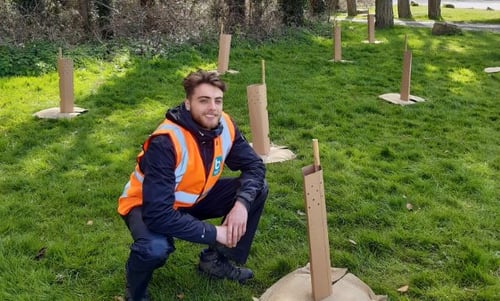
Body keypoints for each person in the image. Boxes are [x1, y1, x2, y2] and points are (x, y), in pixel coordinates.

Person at [117, 70, 268, 301]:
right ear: (187, 103)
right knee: (154, 248)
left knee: (257, 189)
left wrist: (241, 205)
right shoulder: (165, 141)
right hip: (146, 205)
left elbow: (255, 166)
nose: (213, 108)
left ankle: (214, 262)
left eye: (218, 101)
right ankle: (135, 293)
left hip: (192, 199)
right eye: (203, 100)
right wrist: (216, 232)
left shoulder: (224, 124)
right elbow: (158, 214)